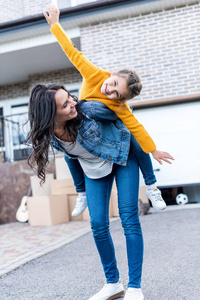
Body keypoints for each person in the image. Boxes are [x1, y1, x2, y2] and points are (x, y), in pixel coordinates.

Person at [27, 83, 171, 300]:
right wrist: (81, 190)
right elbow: (72, 156)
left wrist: (151, 149)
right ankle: (113, 284)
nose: (73, 103)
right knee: (97, 225)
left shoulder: (89, 110)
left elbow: (126, 118)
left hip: (123, 156)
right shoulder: (52, 136)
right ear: (50, 114)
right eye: (65, 104)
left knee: (128, 218)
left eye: (70, 98)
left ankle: (134, 287)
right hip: (94, 169)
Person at [43, 5, 174, 217]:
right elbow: (73, 53)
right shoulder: (94, 74)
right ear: (112, 74)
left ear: (121, 99)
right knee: (69, 154)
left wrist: (153, 149)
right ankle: (82, 193)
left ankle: (152, 187)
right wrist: (56, 25)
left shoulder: (120, 106)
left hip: (108, 130)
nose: (109, 90)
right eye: (113, 83)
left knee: (134, 138)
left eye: (116, 94)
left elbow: (136, 126)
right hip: (84, 122)